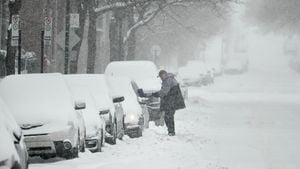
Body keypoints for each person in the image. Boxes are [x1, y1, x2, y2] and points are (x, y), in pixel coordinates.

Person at [153, 70, 186, 136]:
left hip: (172, 101)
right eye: (160, 77)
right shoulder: (170, 79)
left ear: (165, 74)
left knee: (169, 116)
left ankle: (171, 131)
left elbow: (164, 92)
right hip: (173, 101)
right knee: (168, 116)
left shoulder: (168, 80)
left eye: (162, 76)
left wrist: (155, 94)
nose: (161, 78)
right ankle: (171, 131)